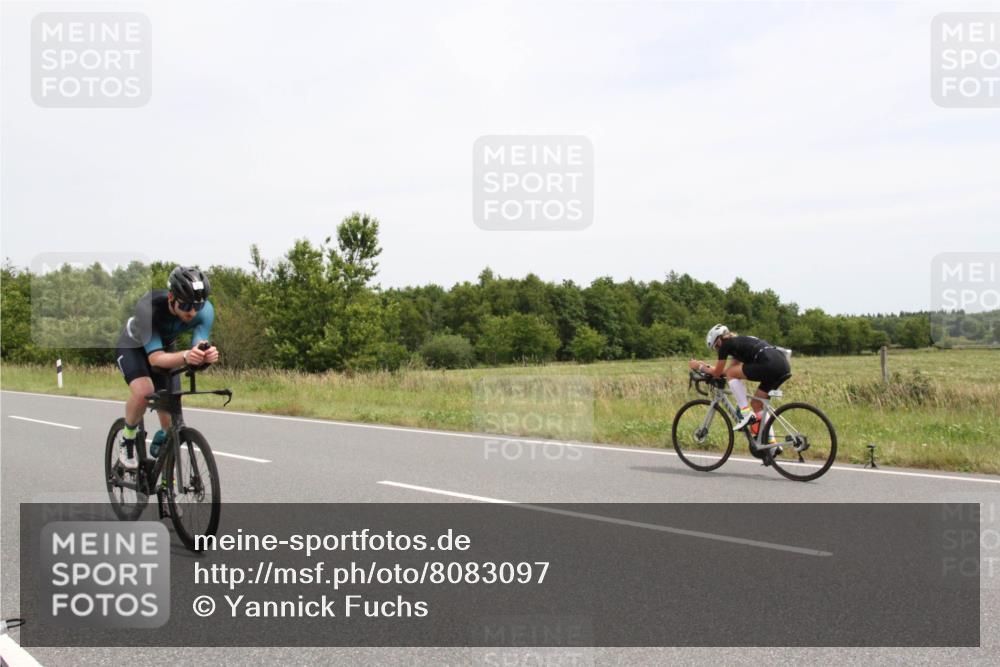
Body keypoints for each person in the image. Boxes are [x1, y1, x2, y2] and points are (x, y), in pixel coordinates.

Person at [114, 266, 219, 469]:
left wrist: (204, 355)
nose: (192, 312)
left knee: (171, 420)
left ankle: (166, 481)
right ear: (172, 297)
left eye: (198, 305)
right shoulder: (148, 308)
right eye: (187, 305)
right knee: (144, 391)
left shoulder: (204, 310)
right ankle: (127, 439)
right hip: (133, 347)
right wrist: (187, 355)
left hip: (164, 346)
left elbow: (198, 342)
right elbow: (155, 359)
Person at [688, 324, 791, 436]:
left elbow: (719, 373)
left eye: (715, 347)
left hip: (769, 365)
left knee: (732, 374)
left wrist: (699, 367)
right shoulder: (737, 344)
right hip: (782, 365)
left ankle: (746, 414)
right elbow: (726, 371)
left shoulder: (725, 345)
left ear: (718, 341)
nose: (717, 350)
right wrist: (706, 366)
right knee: (757, 404)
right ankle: (771, 443)